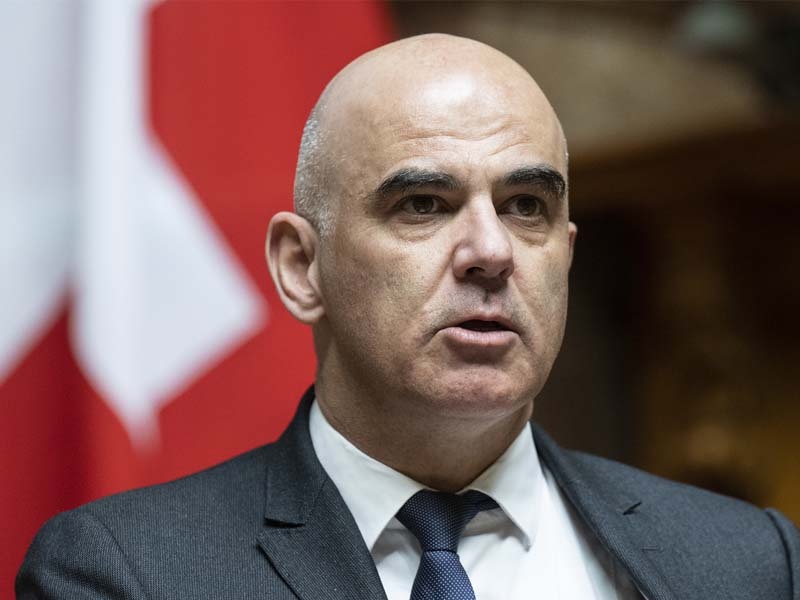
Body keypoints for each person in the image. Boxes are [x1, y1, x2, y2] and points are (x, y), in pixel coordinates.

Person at [17, 34, 800, 600]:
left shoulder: (747, 564)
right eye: (423, 204)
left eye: (527, 206)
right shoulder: (127, 573)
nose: (490, 252)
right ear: (301, 267)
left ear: (565, 253)